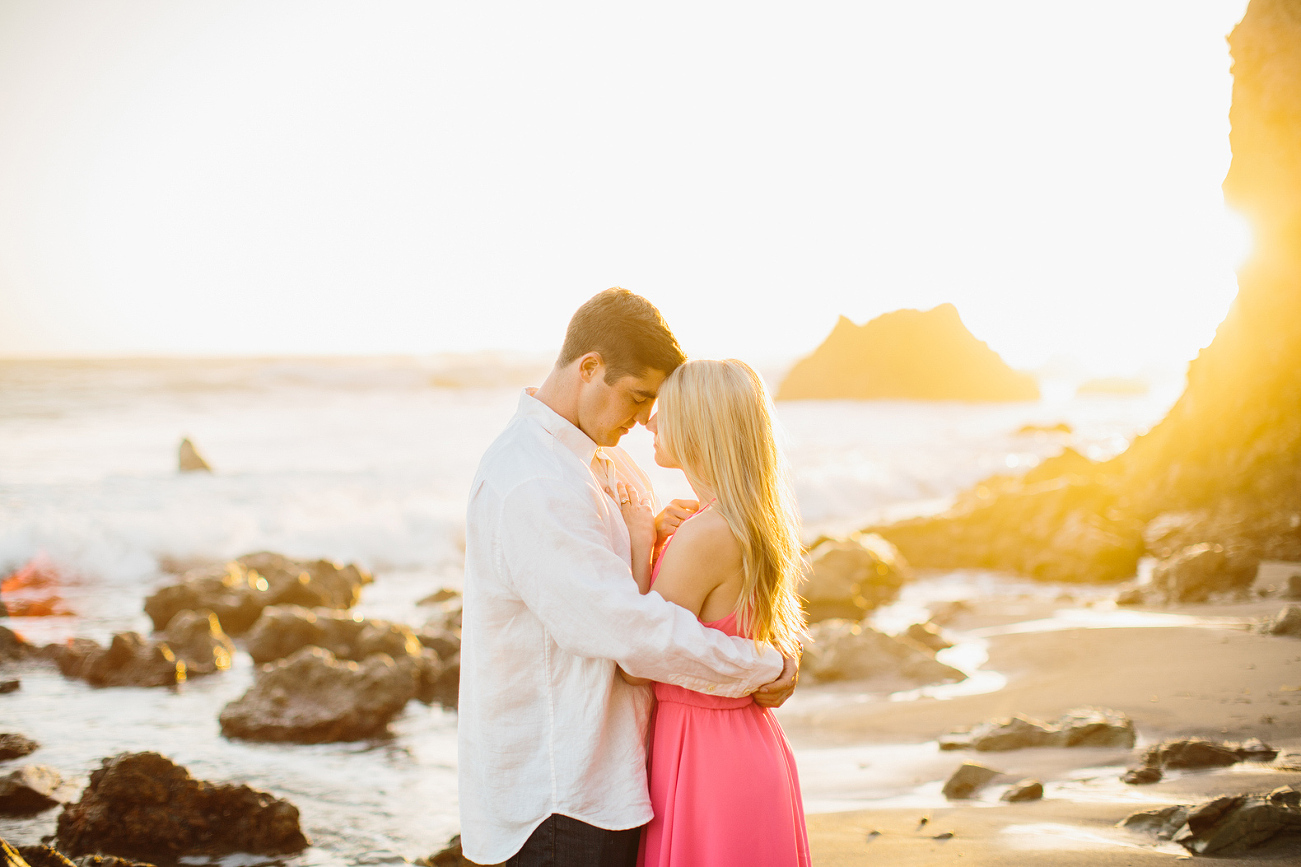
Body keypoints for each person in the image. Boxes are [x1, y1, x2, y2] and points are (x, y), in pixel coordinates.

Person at [459, 289, 799, 867]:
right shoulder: (533, 482)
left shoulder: (604, 463)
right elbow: (629, 632)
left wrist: (654, 535)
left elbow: (637, 588)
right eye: (639, 397)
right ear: (589, 367)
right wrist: (764, 664)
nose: (646, 420)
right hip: (560, 793)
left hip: (612, 779)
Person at [615, 358, 810, 867]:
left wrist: (639, 543)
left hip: (706, 756)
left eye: (666, 409)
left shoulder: (703, 534)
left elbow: (638, 663)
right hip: (746, 743)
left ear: (699, 427)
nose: (649, 421)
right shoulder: (747, 519)